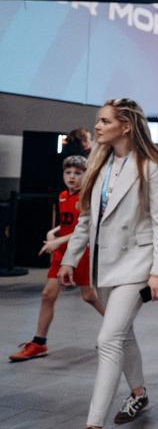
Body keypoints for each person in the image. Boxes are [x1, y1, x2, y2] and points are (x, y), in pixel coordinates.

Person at [57, 98, 158, 429]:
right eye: (98, 120)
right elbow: (86, 220)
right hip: (104, 267)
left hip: (136, 266)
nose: (98, 126)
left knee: (108, 339)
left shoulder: (150, 167)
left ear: (126, 126)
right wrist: (70, 260)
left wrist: (157, 270)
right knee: (123, 333)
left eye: (105, 121)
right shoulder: (99, 164)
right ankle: (138, 393)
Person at [9, 155, 104, 362]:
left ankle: (116, 328)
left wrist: (58, 241)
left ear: (86, 175)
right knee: (47, 294)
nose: (72, 177)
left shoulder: (87, 197)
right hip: (61, 253)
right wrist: (54, 232)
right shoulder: (62, 196)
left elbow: (86, 228)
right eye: (68, 172)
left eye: (78, 173)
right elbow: (69, 223)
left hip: (81, 252)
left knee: (88, 296)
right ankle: (39, 342)